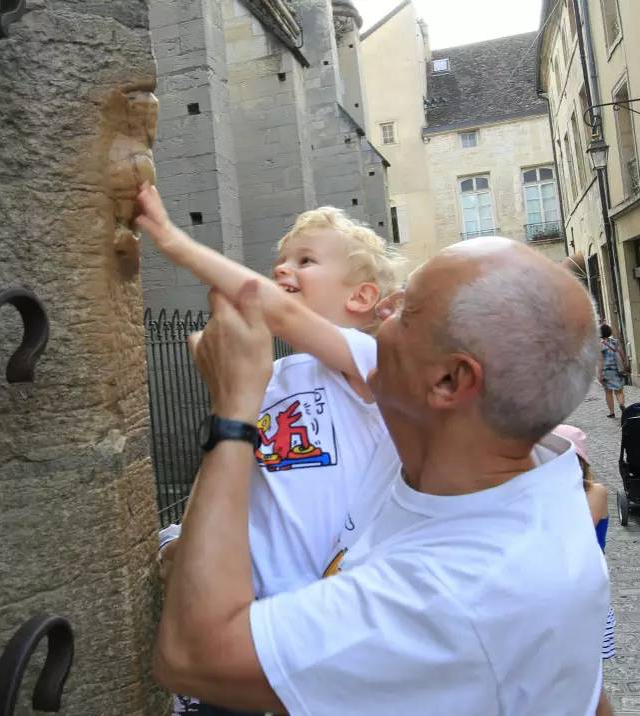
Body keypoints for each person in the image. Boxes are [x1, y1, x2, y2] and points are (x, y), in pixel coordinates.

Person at [153, 238, 610, 714]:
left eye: (406, 311)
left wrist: (231, 411)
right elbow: (585, 693)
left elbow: (191, 654)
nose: (383, 314)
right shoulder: (534, 478)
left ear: (449, 381)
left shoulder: (452, 594)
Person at [136, 185, 401, 714]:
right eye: (279, 261)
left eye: (305, 261)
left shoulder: (368, 363)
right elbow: (245, 479)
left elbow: (272, 308)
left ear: (361, 298)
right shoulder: (271, 375)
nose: (282, 271)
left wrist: (170, 239)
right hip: (249, 620)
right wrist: (181, 541)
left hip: (324, 623)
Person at [553, 424, 616, 716]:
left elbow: (576, 532)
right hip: (550, 595)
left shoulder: (595, 492)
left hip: (583, 595)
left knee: (589, 679)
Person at [599, 324, 628, 418]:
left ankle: (612, 412)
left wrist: (599, 374)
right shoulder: (615, 341)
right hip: (617, 369)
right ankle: (621, 404)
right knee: (619, 391)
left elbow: (600, 360)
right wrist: (625, 364)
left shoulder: (600, 344)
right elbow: (622, 353)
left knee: (608, 392)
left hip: (606, 371)